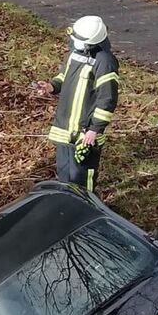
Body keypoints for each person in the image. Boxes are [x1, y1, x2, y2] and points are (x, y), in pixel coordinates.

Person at [33, 15, 120, 193]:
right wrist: (51, 86)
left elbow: (107, 98)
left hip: (84, 135)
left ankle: (86, 209)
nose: (74, 43)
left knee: (82, 180)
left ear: (91, 42)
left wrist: (94, 129)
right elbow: (63, 76)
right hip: (64, 130)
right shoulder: (75, 53)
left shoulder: (105, 62)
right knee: (65, 175)